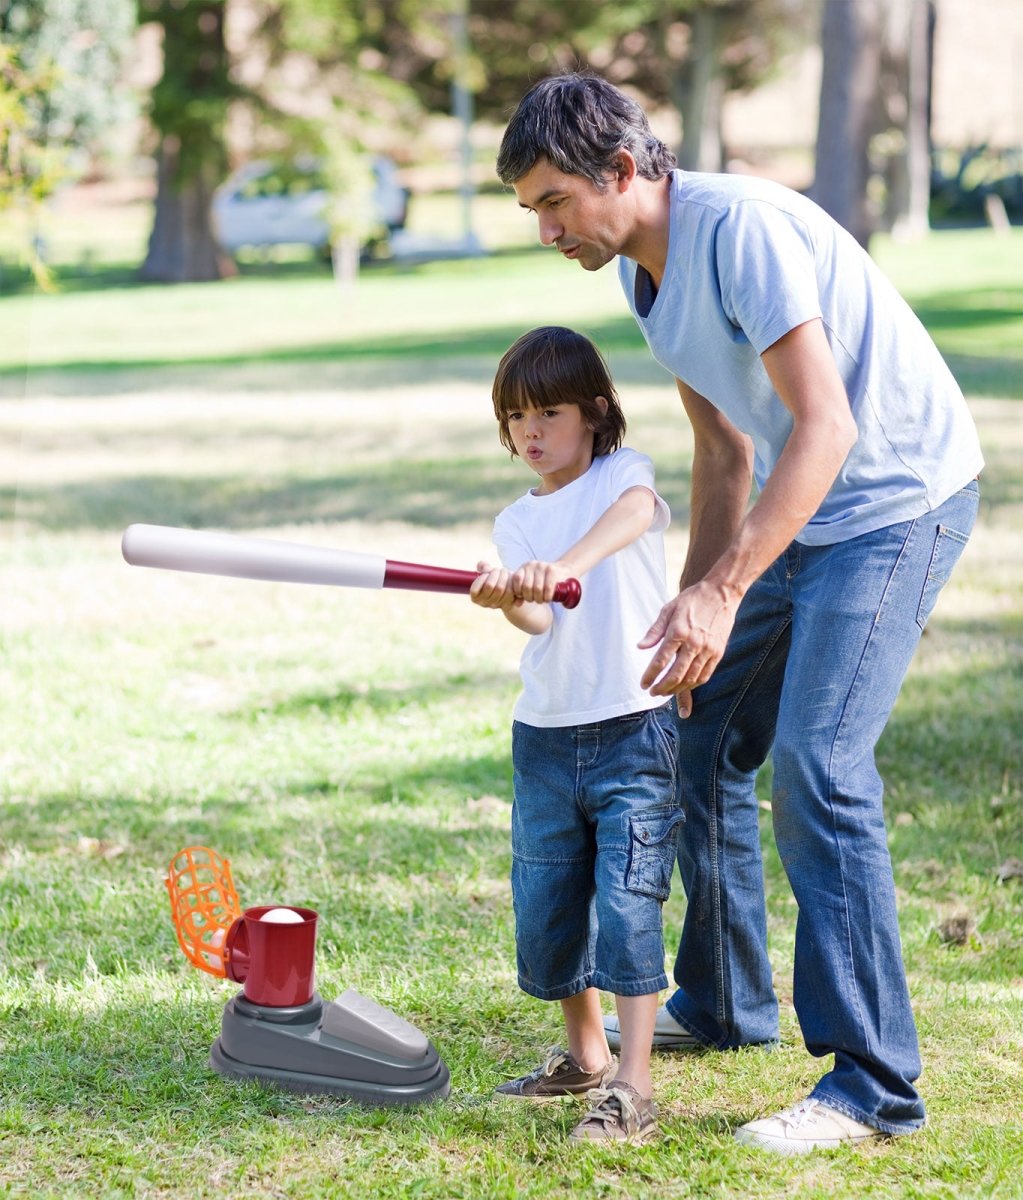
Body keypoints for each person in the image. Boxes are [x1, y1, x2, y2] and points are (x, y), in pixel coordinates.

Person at [496, 73, 983, 1155]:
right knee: (699, 726)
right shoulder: (642, 275)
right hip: (804, 511)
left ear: (624, 171)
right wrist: (695, 606)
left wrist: (726, 589)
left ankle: (872, 1083)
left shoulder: (743, 232)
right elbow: (728, 451)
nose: (546, 229)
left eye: (555, 201)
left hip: (898, 502)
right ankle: (723, 1000)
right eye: (533, 208)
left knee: (819, 762)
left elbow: (826, 427)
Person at [470, 324, 680, 1144]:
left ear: (594, 412)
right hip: (548, 736)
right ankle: (584, 1053)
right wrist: (511, 596)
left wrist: (569, 567)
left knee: (628, 898)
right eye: (515, 417)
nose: (530, 433)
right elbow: (532, 617)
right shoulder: (515, 522)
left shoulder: (621, 478)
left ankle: (633, 1082)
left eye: (548, 413)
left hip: (632, 725)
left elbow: (633, 517)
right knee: (550, 898)